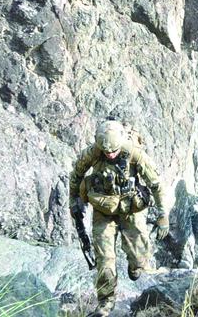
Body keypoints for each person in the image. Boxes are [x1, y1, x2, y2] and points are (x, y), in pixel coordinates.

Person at [69, 120, 168, 317]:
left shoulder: (133, 153)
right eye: (106, 152)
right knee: (104, 259)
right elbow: (76, 175)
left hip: (131, 207)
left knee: (139, 256)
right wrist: (74, 200)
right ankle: (105, 304)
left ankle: (136, 265)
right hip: (103, 209)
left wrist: (163, 214)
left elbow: (156, 184)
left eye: (113, 151)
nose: (110, 154)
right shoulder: (92, 153)